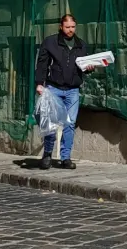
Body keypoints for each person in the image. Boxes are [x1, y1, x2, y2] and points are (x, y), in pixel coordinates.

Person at [34, 13, 93, 170]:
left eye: (73, 27)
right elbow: (42, 64)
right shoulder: (50, 42)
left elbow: (83, 66)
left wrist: (89, 68)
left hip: (72, 90)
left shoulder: (81, 45)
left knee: (70, 124)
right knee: (51, 123)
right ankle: (47, 154)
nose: (70, 30)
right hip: (54, 88)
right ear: (61, 27)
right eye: (67, 27)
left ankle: (65, 157)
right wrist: (40, 84)